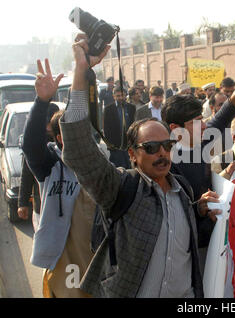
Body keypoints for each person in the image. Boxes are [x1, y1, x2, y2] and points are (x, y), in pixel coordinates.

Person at [60, 34, 205, 298]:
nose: (161, 153)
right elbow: (80, 151)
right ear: (133, 155)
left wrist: (202, 209)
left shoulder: (182, 191)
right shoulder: (121, 188)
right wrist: (81, 72)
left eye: (166, 145)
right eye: (150, 148)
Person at [22, 58, 97, 297]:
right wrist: (41, 101)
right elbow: (30, 146)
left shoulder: (99, 165)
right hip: (65, 264)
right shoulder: (50, 166)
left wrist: (84, 68)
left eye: (79, 130)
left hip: (96, 259)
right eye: (67, 132)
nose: (75, 137)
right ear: (58, 138)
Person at [162, 86, 235, 273]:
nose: (204, 126)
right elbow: (170, 208)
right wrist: (200, 208)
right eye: (197, 122)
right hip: (184, 247)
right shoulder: (165, 163)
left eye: (202, 120)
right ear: (175, 128)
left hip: (211, 236)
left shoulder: (200, 141)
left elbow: (220, 120)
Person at [17, 103, 59, 231]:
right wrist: (22, 203)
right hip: (42, 206)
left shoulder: (66, 139)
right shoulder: (35, 143)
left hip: (64, 205)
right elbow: (27, 174)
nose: (48, 127)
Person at [103, 87, 136, 169]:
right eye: (118, 96)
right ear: (114, 96)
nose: (120, 98)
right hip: (116, 145)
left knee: (131, 166)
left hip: (129, 143)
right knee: (118, 168)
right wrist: (110, 145)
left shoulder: (131, 108)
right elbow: (106, 129)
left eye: (122, 95)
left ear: (126, 96)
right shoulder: (108, 109)